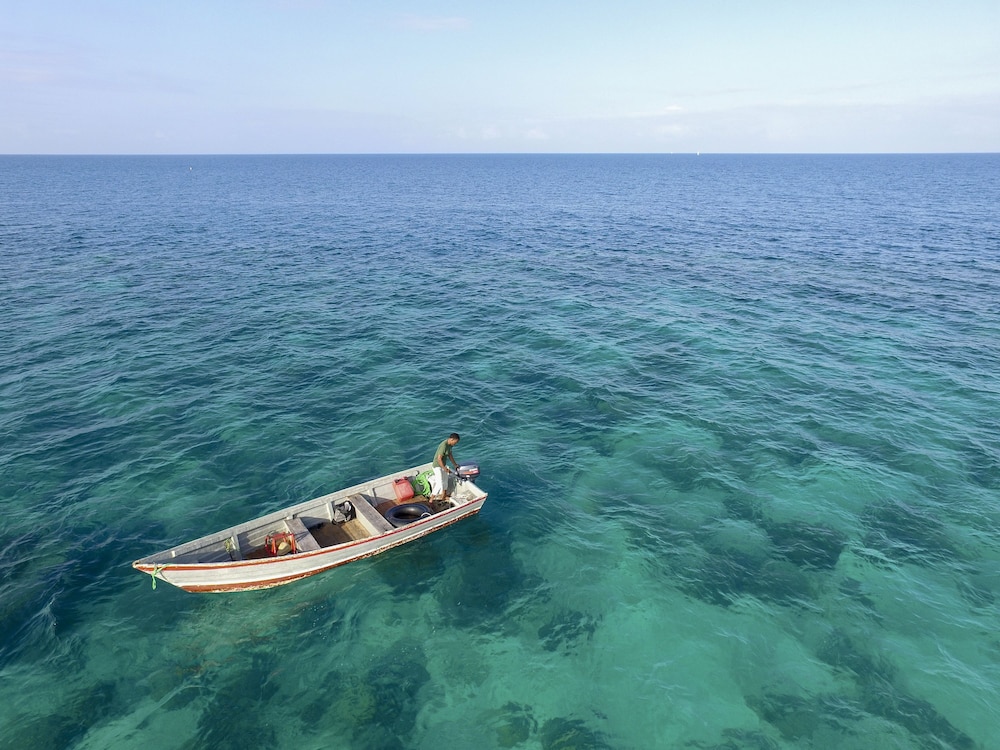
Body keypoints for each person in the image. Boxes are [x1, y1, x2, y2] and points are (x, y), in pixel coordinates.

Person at [430, 433, 460, 501]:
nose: (455, 444)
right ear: (451, 439)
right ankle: (431, 500)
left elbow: (450, 455)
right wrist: (444, 468)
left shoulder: (450, 445)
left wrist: (455, 464)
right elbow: (439, 458)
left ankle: (443, 496)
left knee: (445, 481)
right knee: (439, 483)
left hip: (443, 465)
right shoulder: (443, 445)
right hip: (437, 466)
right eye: (455, 442)